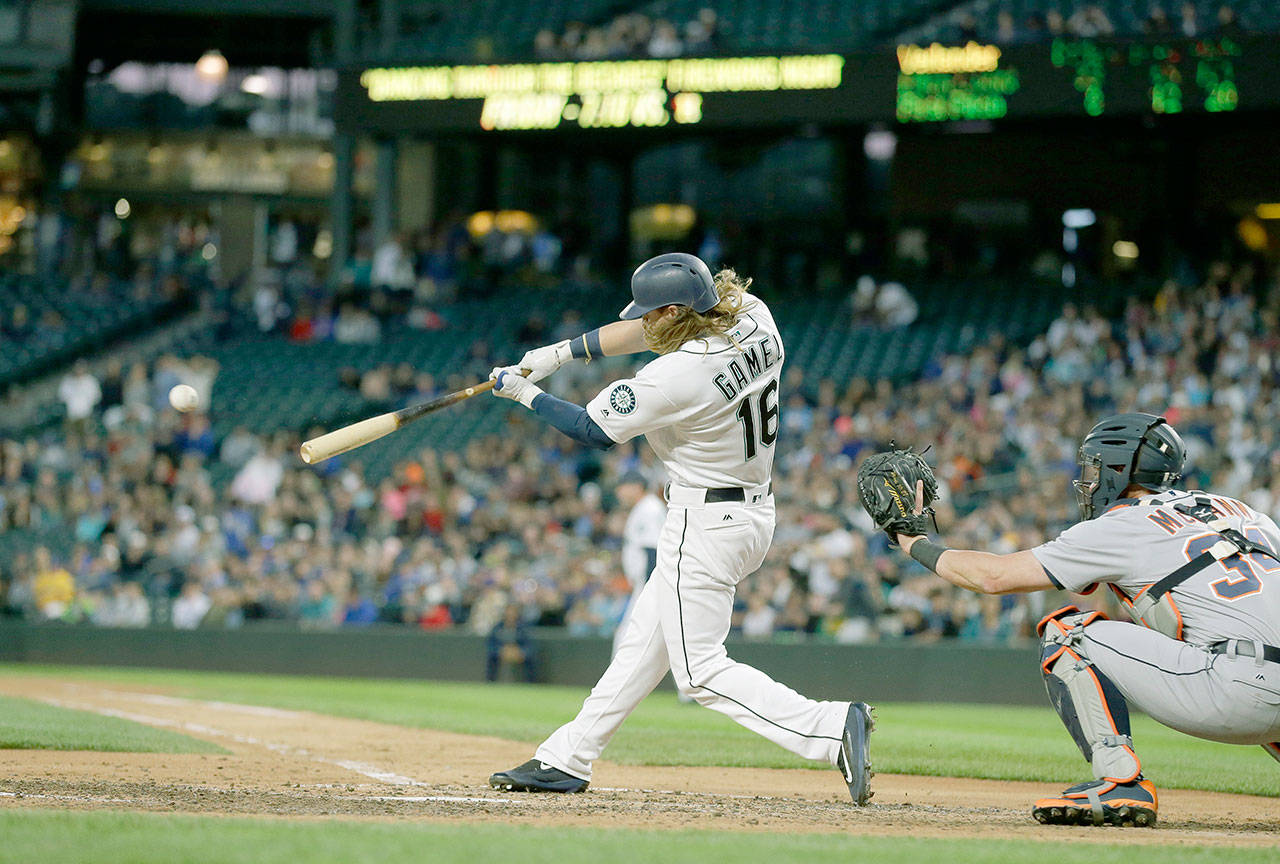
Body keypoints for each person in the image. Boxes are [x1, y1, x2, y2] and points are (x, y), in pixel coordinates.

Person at [485, 252, 874, 803]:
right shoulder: (754, 315)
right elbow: (647, 334)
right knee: (643, 647)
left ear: (674, 311)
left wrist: (526, 392)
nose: (641, 322)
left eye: (650, 313)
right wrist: (557, 354)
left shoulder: (678, 374)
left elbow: (594, 429)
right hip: (746, 510)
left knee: (698, 671)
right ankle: (565, 759)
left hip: (706, 520)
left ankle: (830, 728)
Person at [883, 413, 1280, 827]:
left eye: (1092, 467)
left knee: (1068, 633)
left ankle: (1120, 781)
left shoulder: (1122, 524)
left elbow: (993, 577)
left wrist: (915, 544)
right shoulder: (1241, 510)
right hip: (1257, 679)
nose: (1087, 479)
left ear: (1116, 469)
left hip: (1237, 691)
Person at [612, 472, 666, 658]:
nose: (619, 491)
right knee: (670, 643)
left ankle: (614, 687)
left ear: (636, 486)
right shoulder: (645, 507)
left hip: (650, 582)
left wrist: (649, 589)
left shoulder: (649, 508)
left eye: (622, 486)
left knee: (626, 637)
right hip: (651, 582)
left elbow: (654, 550)